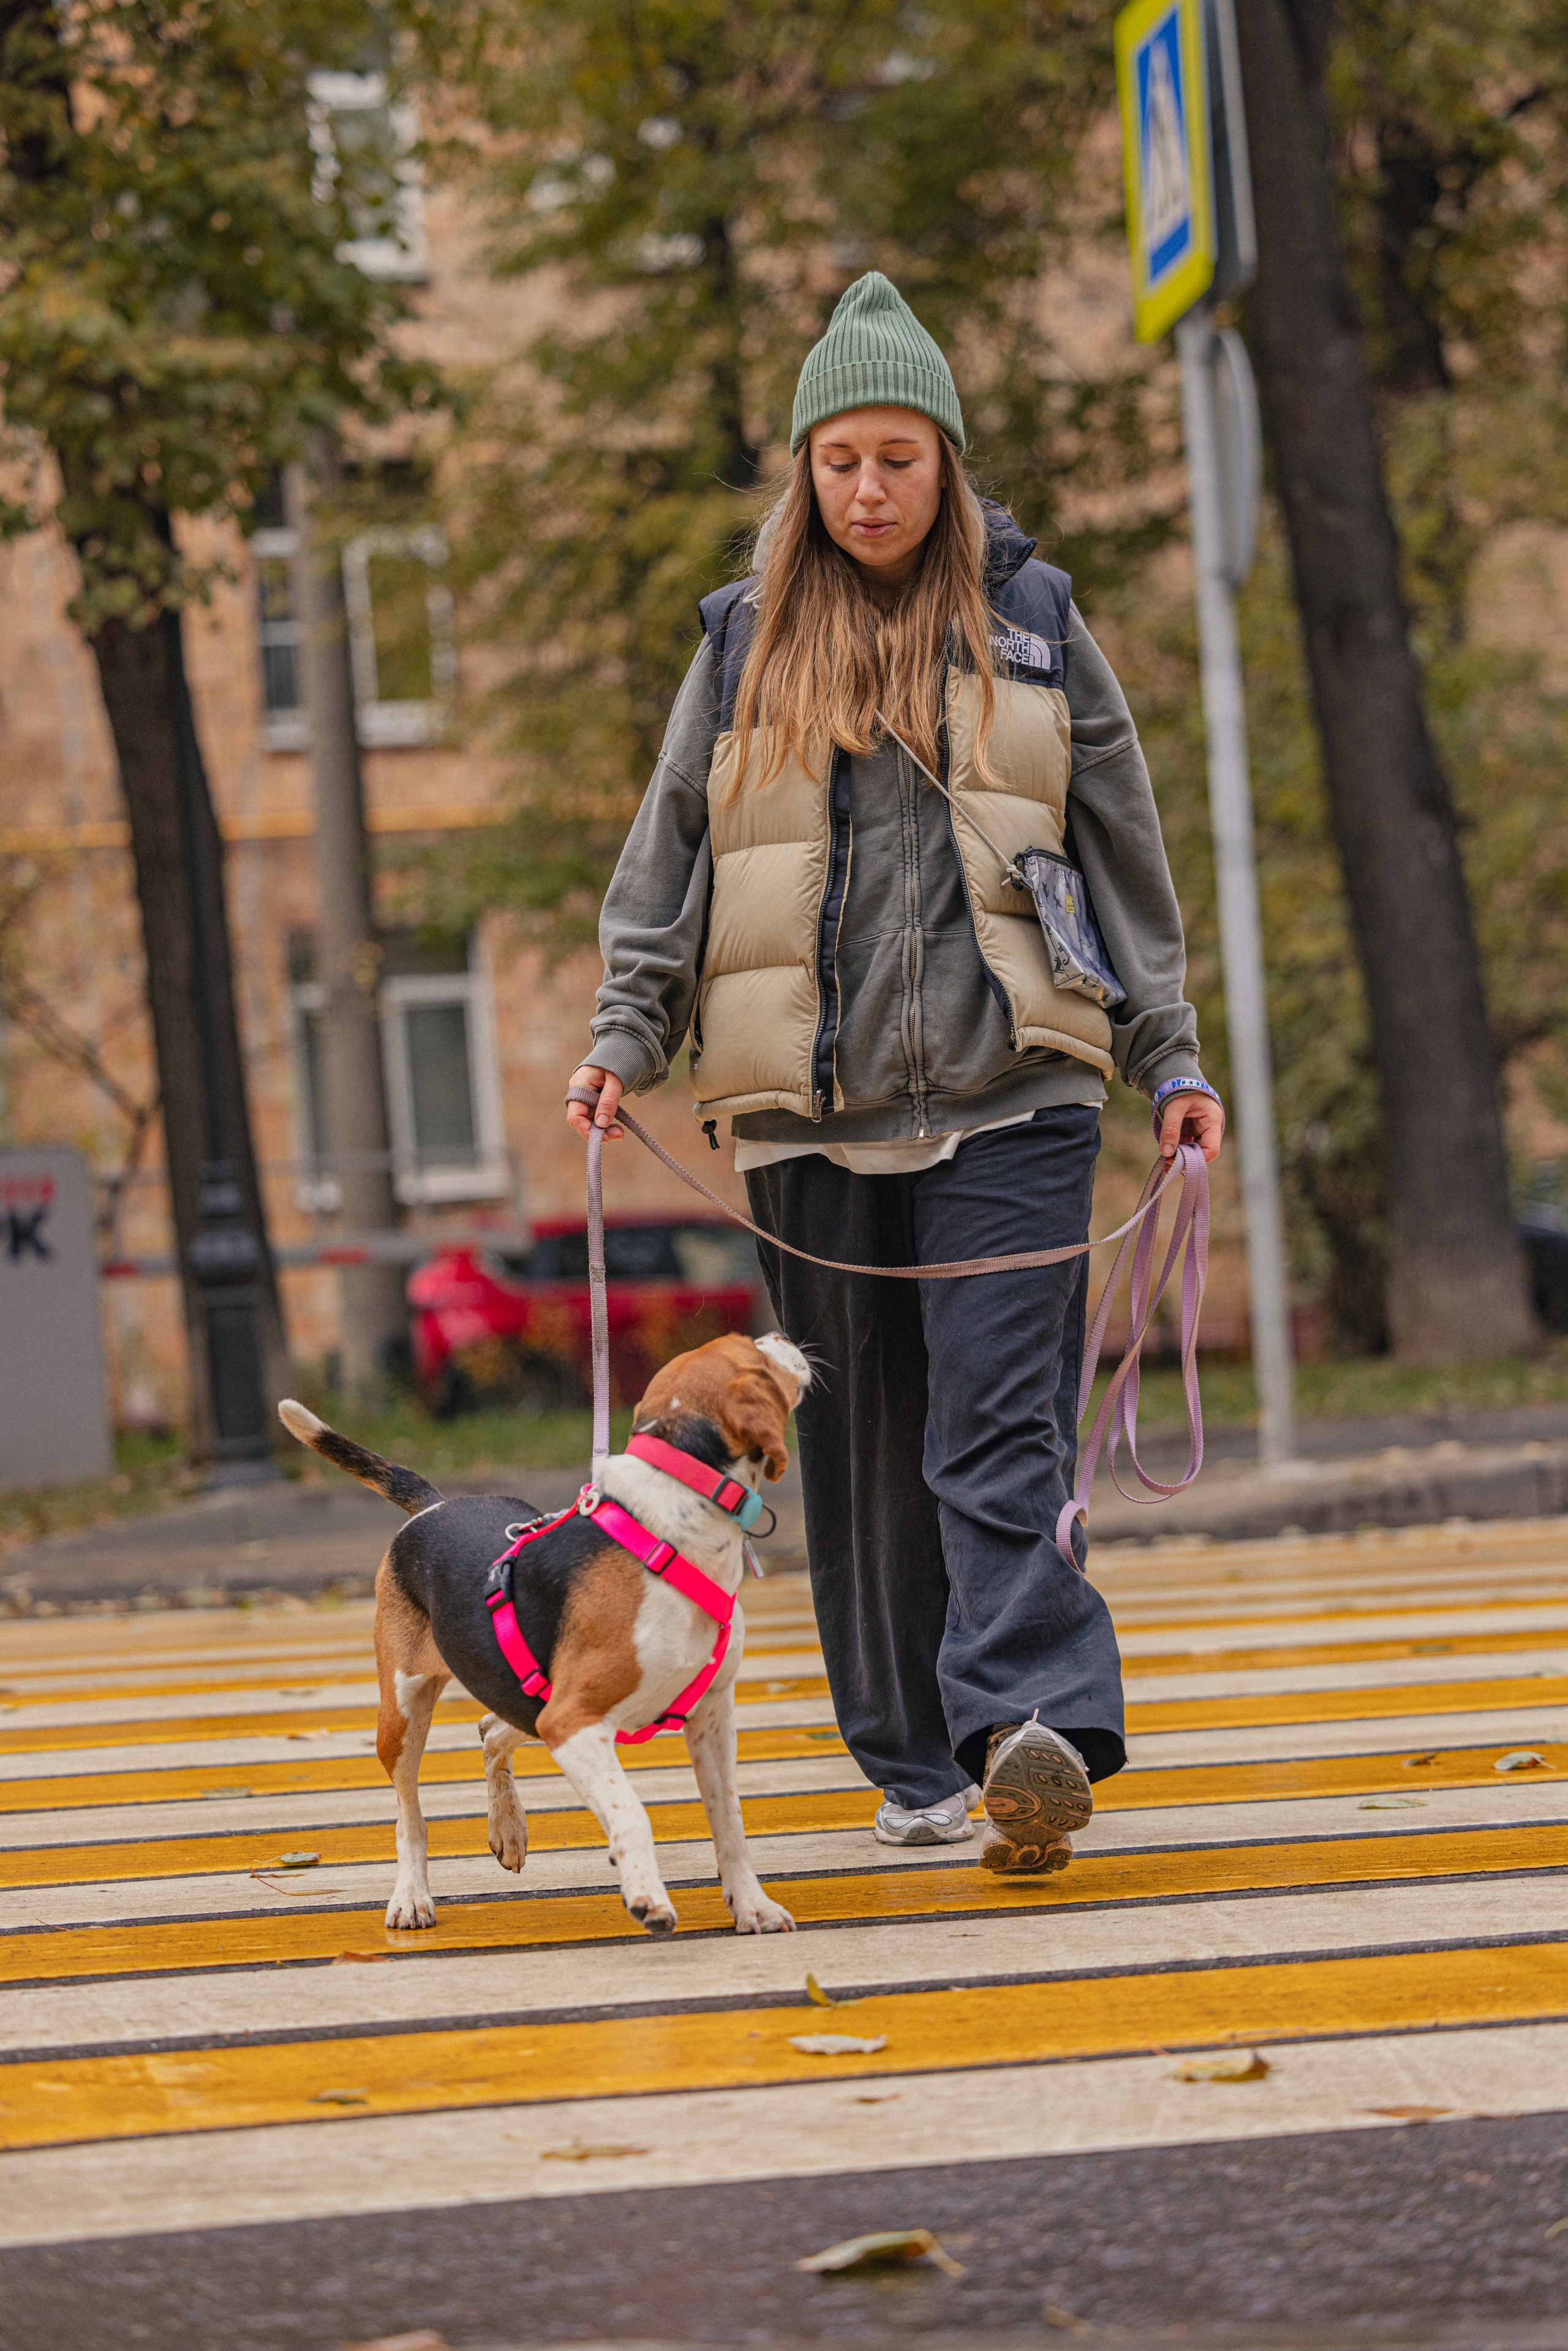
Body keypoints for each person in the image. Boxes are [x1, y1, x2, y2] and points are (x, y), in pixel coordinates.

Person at [567, 272, 1223, 1874]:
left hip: (1016, 1088)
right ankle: (917, 1759)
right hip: (806, 1112)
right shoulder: (742, 642)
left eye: (898, 459)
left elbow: (1121, 847)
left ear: (946, 464)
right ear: (807, 471)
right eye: (841, 460)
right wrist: (623, 1037)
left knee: (998, 1431)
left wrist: (1169, 1055)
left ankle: (1025, 1733)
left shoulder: (1034, 620)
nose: (869, 489)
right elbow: (672, 858)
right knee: (862, 1455)